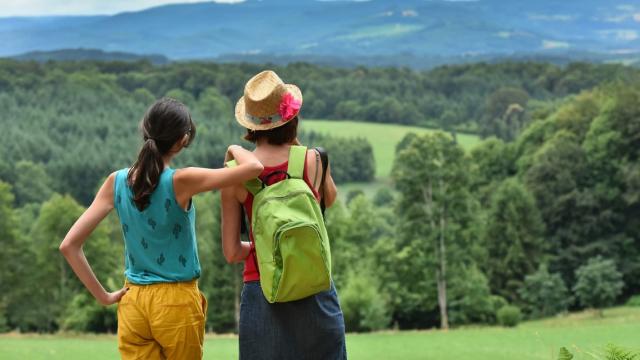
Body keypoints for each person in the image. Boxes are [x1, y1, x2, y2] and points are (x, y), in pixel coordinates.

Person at [59, 97, 263, 360]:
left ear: (145, 130)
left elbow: (69, 245)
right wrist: (235, 147)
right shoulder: (182, 181)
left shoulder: (116, 181)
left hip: (132, 302)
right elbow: (255, 167)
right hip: (176, 303)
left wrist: (105, 297)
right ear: (182, 141)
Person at [221, 70, 346, 360]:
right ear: (291, 118)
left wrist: (270, 248)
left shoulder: (234, 176)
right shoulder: (313, 159)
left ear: (251, 125)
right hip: (315, 288)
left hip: (263, 291)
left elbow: (230, 252)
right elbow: (331, 198)